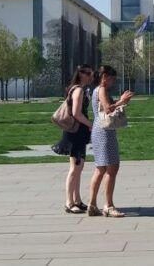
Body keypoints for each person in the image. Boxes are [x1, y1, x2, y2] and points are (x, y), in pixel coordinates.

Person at [88, 65, 134, 218]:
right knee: (112, 168)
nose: (113, 82)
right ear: (105, 76)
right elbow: (108, 109)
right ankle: (108, 205)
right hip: (104, 131)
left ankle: (92, 204)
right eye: (112, 78)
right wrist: (122, 101)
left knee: (100, 168)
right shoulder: (101, 89)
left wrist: (122, 101)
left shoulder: (98, 90)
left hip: (99, 129)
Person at [52, 64, 94, 214]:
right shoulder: (78, 90)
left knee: (79, 167)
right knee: (74, 168)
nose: (91, 76)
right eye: (88, 73)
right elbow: (76, 113)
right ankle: (69, 202)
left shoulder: (78, 89)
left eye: (92, 73)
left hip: (78, 132)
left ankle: (77, 199)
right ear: (81, 74)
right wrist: (91, 124)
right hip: (75, 132)